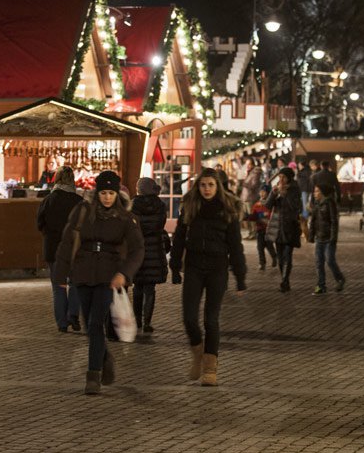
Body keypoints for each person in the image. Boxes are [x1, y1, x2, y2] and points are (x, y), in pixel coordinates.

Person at [54, 170, 144, 395]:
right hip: (83, 272)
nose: (106, 197)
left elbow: (137, 249)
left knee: (96, 323)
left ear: (116, 194)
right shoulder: (83, 211)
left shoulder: (125, 218)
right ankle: (105, 357)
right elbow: (67, 241)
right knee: (88, 324)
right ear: (97, 192)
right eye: (103, 192)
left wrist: (125, 273)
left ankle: (92, 375)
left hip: (108, 275)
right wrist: (60, 275)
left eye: (111, 193)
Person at [170, 167, 247, 387]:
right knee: (189, 318)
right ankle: (198, 352)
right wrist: (174, 266)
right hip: (193, 267)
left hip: (217, 269)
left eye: (211, 185)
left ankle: (210, 368)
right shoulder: (189, 207)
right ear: (198, 186)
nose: (206, 189)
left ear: (218, 186)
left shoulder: (227, 209)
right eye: (203, 185)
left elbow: (235, 245)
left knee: (210, 320)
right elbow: (179, 238)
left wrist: (240, 276)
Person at [37, 166, 83, 333]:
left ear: (56, 179)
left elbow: (40, 223)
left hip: (53, 248)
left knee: (58, 286)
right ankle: (73, 316)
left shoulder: (49, 200)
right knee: (76, 284)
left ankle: (62, 323)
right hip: (74, 249)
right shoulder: (78, 201)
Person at [131, 177, 169, 333]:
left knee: (137, 287)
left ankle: (137, 321)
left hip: (137, 250)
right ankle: (147, 322)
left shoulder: (133, 205)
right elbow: (160, 225)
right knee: (150, 289)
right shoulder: (160, 205)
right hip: (154, 249)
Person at [266, 167, 302, 293]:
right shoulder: (276, 188)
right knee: (280, 257)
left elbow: (297, 207)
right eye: (279, 177)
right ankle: (284, 279)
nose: (281, 179)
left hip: (289, 226)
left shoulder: (294, 189)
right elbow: (267, 206)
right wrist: (273, 193)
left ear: (289, 178)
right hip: (277, 226)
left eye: (283, 177)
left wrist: (284, 195)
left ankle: (285, 280)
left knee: (287, 255)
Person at [307, 183, 345, 295]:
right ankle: (321, 285)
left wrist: (333, 236)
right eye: (314, 191)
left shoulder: (330, 203)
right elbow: (313, 221)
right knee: (319, 262)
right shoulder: (316, 204)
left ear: (322, 192)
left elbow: (334, 221)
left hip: (329, 238)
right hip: (319, 237)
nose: (315, 194)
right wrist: (311, 235)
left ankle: (340, 279)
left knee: (330, 260)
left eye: (317, 191)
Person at [246, 184, 278, 271]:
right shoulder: (257, 204)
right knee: (260, 247)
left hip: (267, 229)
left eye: (264, 192)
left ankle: (274, 257)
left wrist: (262, 216)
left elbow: (270, 215)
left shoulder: (270, 204)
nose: (262, 194)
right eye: (261, 192)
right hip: (259, 229)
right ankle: (262, 263)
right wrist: (248, 216)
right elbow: (254, 216)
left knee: (269, 245)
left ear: (268, 193)